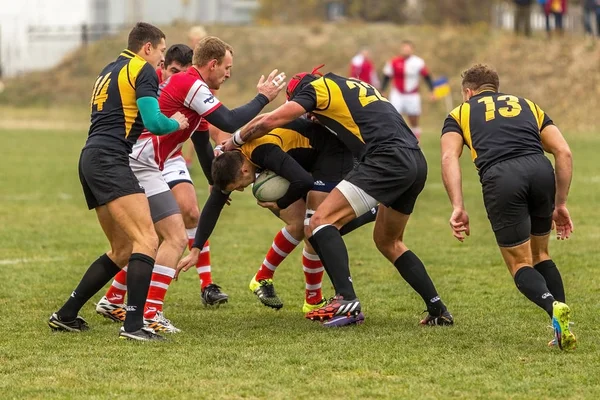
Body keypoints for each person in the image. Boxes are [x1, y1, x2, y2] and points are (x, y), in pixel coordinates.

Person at [222, 66, 453, 328]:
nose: (308, 115)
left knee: (319, 222)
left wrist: (234, 141)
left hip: (386, 158)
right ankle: (438, 309)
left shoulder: (316, 90)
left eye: (304, 108)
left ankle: (347, 300)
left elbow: (269, 121)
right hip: (415, 159)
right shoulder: (352, 86)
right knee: (389, 241)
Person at [94, 36, 286, 331]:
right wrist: (263, 98)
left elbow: (202, 139)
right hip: (140, 162)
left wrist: (214, 183)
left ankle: (124, 304)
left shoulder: (194, 89)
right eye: (227, 67)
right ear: (212, 64)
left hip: (148, 162)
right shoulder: (191, 83)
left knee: (164, 236)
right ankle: (145, 312)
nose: (229, 73)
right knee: (164, 238)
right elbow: (231, 119)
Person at [48, 22, 189, 341]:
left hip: (90, 157)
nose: (162, 61)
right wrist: (176, 122)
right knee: (147, 240)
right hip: (111, 159)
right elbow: (154, 121)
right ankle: (134, 325)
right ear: (148, 48)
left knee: (123, 247)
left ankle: (66, 314)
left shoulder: (109, 70)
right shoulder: (143, 69)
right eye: (162, 52)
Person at [176, 118, 376, 313]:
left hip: (328, 154)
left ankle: (373, 210)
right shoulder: (230, 161)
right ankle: (309, 298)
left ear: (245, 170)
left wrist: (280, 203)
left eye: (237, 187)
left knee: (318, 226)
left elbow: (304, 181)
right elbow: (213, 207)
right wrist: (196, 249)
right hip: (301, 160)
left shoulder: (264, 152)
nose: (241, 190)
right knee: (303, 226)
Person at [440, 64, 575, 350]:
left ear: (468, 92)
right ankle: (563, 326)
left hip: (501, 177)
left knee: (519, 263)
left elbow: (449, 157)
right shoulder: (527, 105)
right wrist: (560, 203)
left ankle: (553, 307)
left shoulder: (459, 113)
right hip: (540, 170)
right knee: (541, 254)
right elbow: (563, 151)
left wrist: (457, 206)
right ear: (494, 88)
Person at [381, 40, 434, 142]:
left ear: (412, 49)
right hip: (397, 93)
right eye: (404, 48)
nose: (406, 50)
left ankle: (416, 141)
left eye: (408, 48)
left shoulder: (418, 62)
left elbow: (427, 76)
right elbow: (387, 76)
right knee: (394, 116)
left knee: (413, 118)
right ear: (401, 49)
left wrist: (431, 91)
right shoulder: (393, 61)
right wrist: (383, 90)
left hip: (412, 94)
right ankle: (395, 140)